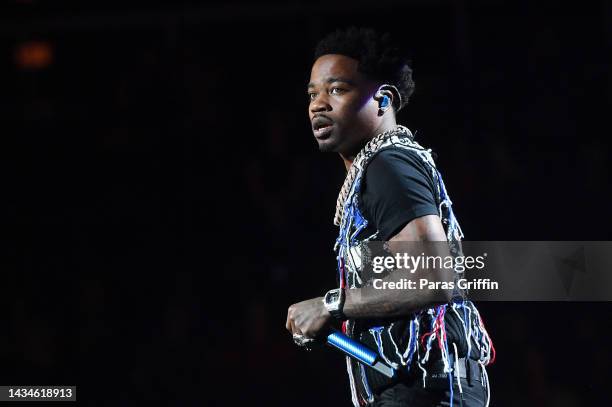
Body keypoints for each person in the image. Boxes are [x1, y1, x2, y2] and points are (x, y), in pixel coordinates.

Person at [285, 27, 495, 406]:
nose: (318, 104)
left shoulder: (389, 164)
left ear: (382, 99)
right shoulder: (376, 169)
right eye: (312, 93)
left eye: (337, 90)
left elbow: (433, 277)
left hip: (427, 389)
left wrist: (330, 304)